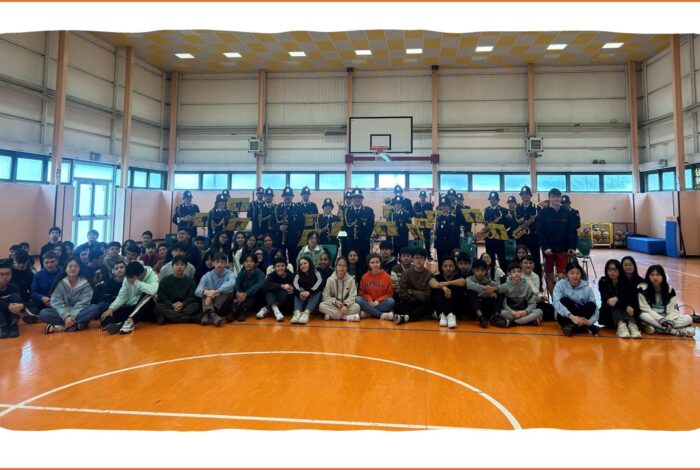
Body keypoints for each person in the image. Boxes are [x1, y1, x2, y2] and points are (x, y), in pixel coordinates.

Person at [40, 258, 100, 334]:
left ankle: (62, 327)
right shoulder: (60, 283)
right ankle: (77, 325)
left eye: (76, 266)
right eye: (70, 266)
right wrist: (66, 316)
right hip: (63, 311)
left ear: (80, 269)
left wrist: (71, 316)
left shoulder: (87, 284)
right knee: (43, 313)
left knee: (94, 308)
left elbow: (83, 303)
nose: (73, 268)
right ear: (65, 269)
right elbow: (56, 302)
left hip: (79, 311)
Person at [537, 188, 578, 298]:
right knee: (549, 274)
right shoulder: (543, 213)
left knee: (562, 275)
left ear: (560, 198)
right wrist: (545, 247)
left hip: (563, 249)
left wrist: (572, 247)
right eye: (553, 196)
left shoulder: (567, 213)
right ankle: (553, 298)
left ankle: (562, 297)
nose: (555, 199)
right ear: (549, 198)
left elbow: (572, 231)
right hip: (548, 250)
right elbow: (540, 232)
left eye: (557, 196)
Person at [100, 261, 159, 335]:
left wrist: (136, 282)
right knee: (107, 314)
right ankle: (118, 324)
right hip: (133, 307)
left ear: (141, 274)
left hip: (147, 307)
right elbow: (122, 296)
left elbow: (154, 291)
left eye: (132, 278)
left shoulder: (152, 275)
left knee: (149, 295)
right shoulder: (128, 278)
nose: (129, 280)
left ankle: (130, 321)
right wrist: (111, 308)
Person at [637, 265, 695, 338]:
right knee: (642, 315)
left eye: (658, 275)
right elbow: (645, 308)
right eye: (652, 275)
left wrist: (670, 321)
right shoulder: (642, 288)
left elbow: (674, 310)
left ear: (663, 276)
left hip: (666, 317)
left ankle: (656, 328)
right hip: (652, 316)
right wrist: (661, 320)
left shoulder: (670, 290)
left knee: (689, 318)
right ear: (648, 276)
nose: (655, 277)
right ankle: (675, 331)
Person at [552, 262, 599, 337]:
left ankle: (573, 327)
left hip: (581, 313)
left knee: (591, 305)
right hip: (566, 316)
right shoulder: (560, 285)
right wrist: (572, 316)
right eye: (572, 273)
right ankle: (584, 327)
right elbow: (556, 302)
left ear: (581, 274)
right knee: (564, 300)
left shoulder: (586, 287)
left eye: (578, 273)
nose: (575, 276)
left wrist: (590, 322)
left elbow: (595, 307)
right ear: (567, 274)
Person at [598, 259, 641, 338]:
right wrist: (624, 305)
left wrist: (617, 299)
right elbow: (607, 299)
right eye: (610, 270)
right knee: (613, 304)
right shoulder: (603, 281)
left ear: (620, 270)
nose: (612, 272)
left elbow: (628, 297)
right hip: (608, 312)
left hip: (625, 311)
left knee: (626, 303)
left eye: (615, 270)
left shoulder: (625, 281)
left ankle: (631, 325)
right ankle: (621, 325)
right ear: (606, 270)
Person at [492, 261, 543, 328]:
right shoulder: (505, 286)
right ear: (509, 273)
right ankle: (528, 321)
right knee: (502, 312)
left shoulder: (527, 286)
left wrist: (525, 312)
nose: (516, 274)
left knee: (539, 311)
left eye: (518, 271)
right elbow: (504, 304)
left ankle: (514, 322)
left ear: (521, 272)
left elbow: (532, 303)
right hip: (511, 312)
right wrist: (512, 312)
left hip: (522, 312)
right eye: (514, 272)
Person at [154, 255, 201, 325]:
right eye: (177, 264)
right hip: (169, 305)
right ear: (173, 266)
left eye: (182, 264)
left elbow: (191, 297)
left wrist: (182, 304)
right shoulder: (165, 280)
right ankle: (189, 319)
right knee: (158, 307)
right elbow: (161, 296)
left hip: (184, 306)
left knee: (196, 306)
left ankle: (167, 317)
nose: (179, 267)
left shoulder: (190, 281)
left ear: (185, 266)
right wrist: (172, 304)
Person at [394, 249, 434, 324]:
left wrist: (411, 291)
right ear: (413, 259)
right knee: (397, 306)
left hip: (422, 303)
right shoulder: (406, 273)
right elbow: (402, 293)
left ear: (425, 259)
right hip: (410, 302)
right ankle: (419, 315)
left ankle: (406, 317)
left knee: (429, 305)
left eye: (421, 258)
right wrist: (416, 296)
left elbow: (427, 296)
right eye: (416, 258)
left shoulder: (429, 275)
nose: (418, 260)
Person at [195, 252, 235, 327]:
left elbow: (232, 283)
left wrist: (217, 291)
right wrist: (207, 292)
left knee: (226, 290)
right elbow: (197, 291)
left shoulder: (230, 274)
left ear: (226, 263)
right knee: (205, 292)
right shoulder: (207, 275)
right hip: (210, 302)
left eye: (222, 262)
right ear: (213, 263)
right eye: (217, 262)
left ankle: (208, 313)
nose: (219, 264)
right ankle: (213, 314)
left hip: (223, 304)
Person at [319, 257, 361, 322]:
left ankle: (332, 316)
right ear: (336, 266)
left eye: (344, 266)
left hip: (346, 306)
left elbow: (353, 296)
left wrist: (346, 305)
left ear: (347, 267)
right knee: (321, 306)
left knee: (357, 307)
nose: (341, 268)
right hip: (334, 305)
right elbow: (325, 296)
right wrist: (334, 301)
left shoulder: (351, 280)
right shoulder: (330, 280)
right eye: (339, 265)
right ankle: (345, 317)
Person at [429, 257, 466, 329]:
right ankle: (449, 314)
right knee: (438, 289)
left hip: (455, 306)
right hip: (440, 305)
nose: (448, 268)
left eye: (450, 266)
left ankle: (444, 314)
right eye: (445, 266)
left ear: (454, 267)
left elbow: (463, 282)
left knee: (458, 287)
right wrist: (443, 287)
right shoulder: (438, 277)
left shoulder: (457, 276)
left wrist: (448, 283)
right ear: (442, 267)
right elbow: (431, 282)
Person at [356, 254, 395, 321]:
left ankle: (368, 313)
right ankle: (381, 315)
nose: (375, 264)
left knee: (391, 301)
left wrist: (377, 301)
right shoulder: (365, 276)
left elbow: (389, 294)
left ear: (380, 263)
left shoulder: (387, 277)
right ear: (369, 264)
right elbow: (362, 293)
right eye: (372, 262)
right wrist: (370, 300)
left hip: (380, 303)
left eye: (377, 262)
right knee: (357, 299)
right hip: (368, 303)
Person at [514, 185, 542, 275]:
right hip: (521, 237)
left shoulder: (537, 208)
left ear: (530, 195)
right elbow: (516, 221)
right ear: (521, 196)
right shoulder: (517, 208)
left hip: (533, 238)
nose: (525, 196)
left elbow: (540, 223)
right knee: (520, 260)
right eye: (523, 194)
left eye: (527, 194)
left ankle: (539, 282)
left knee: (535, 260)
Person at [27, 251, 62, 322]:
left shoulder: (63, 272)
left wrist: (54, 300)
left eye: (52, 262)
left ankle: (43, 316)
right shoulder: (38, 275)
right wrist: (42, 298)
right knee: (29, 304)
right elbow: (33, 292)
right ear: (43, 263)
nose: (49, 264)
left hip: (60, 299)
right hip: (44, 301)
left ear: (57, 262)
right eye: (46, 262)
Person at [258, 256, 295, 322]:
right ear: (274, 267)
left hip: (284, 300)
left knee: (286, 292)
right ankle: (276, 311)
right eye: (278, 266)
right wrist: (282, 286)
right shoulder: (271, 275)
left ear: (286, 266)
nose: (280, 268)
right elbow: (265, 285)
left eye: (282, 266)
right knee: (268, 291)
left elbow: (296, 286)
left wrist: (293, 289)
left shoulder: (290, 275)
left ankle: (267, 308)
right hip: (272, 296)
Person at [466, 259, 501, 328]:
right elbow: (470, 285)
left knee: (500, 293)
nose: (480, 273)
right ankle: (480, 317)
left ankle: (495, 316)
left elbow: (499, 286)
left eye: (482, 271)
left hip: (486, 306)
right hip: (474, 309)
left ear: (486, 271)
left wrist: (493, 290)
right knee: (471, 291)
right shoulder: (469, 279)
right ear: (473, 271)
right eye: (477, 270)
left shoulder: (488, 281)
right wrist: (486, 290)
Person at [230, 254, 265, 322]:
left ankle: (243, 312)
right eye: (246, 261)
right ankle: (233, 312)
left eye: (251, 261)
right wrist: (238, 294)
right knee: (235, 296)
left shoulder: (260, 273)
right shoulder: (241, 273)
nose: (248, 263)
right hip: (241, 296)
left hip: (254, 297)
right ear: (243, 263)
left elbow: (259, 285)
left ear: (255, 263)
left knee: (252, 296)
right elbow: (236, 284)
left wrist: (245, 294)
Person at [343, 188, 375, 261]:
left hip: (363, 242)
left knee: (363, 261)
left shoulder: (369, 211)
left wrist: (365, 237)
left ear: (362, 199)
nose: (357, 200)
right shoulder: (347, 211)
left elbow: (371, 226)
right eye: (354, 198)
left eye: (359, 198)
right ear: (352, 199)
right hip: (350, 242)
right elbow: (345, 226)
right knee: (350, 261)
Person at [520, 255, 555, 321]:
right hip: (524, 303)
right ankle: (533, 318)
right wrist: (539, 296)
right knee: (545, 312)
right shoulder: (519, 276)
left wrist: (541, 297)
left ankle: (534, 318)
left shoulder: (536, 276)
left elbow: (536, 293)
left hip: (535, 302)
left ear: (533, 265)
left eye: (530, 263)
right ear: (521, 264)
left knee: (552, 309)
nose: (528, 265)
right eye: (525, 263)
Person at [274, 186, 304, 263]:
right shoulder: (277, 208)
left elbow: (302, 224)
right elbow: (271, 223)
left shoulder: (298, 208)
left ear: (292, 196)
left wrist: (300, 238)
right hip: (280, 239)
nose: (287, 197)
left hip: (294, 239)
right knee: (280, 260)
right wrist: (279, 227)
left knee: (294, 260)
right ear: (282, 196)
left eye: (289, 195)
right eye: (285, 195)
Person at [291, 256, 323, 324]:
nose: (303, 266)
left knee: (318, 292)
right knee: (300, 289)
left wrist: (309, 292)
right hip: (302, 299)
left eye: (305, 263)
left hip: (314, 301)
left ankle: (306, 313)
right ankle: (297, 313)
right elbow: (295, 285)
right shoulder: (297, 274)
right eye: (301, 264)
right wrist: (300, 293)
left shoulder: (317, 272)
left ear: (310, 264)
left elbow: (320, 283)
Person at [483, 191, 509, 270]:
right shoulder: (486, 210)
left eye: (494, 199)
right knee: (490, 259)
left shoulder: (503, 210)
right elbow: (486, 222)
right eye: (491, 199)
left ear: (498, 200)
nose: (492, 200)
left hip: (499, 238)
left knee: (502, 258)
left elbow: (506, 225)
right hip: (489, 238)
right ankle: (492, 275)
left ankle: (503, 276)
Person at [0, 259, 24, 339]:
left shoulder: (14, 287)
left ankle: (13, 324)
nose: (5, 277)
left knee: (16, 297)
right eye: (1, 274)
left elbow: (21, 301)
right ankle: (3, 326)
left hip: (11, 312)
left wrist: (21, 305)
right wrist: (8, 306)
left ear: (11, 275)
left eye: (8, 274)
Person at [434, 196, 460, 262]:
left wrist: (457, 247)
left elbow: (457, 234)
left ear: (449, 206)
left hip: (450, 246)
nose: (443, 207)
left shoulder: (454, 218)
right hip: (440, 245)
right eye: (442, 205)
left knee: (450, 263)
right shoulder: (438, 218)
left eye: (445, 205)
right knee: (440, 263)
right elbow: (436, 231)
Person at [413, 191, 434, 259]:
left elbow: (430, 214)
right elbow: (414, 213)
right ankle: (417, 253)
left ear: (425, 197)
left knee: (427, 239)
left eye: (424, 196)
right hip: (418, 223)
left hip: (426, 223)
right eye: (421, 196)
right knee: (417, 238)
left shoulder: (429, 204)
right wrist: (418, 214)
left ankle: (428, 254)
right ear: (419, 197)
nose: (422, 197)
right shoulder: (416, 204)